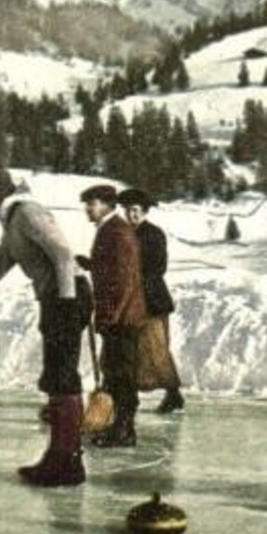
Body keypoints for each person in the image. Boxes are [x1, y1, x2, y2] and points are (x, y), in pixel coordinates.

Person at [0, 167, 89, 487]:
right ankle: (61, 457)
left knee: (62, 377)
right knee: (57, 377)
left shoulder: (27, 213)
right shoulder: (12, 226)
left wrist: (64, 303)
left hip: (67, 296)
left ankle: (67, 463)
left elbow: (63, 254)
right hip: (57, 298)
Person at [78, 184, 147, 448]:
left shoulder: (116, 231)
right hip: (120, 315)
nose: (88, 208)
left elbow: (124, 279)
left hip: (123, 317)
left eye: (92, 203)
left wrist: (111, 317)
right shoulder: (111, 229)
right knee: (117, 373)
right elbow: (112, 268)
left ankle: (124, 430)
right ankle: (120, 427)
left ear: (107, 205)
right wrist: (90, 264)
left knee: (122, 375)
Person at [118, 188, 184, 413]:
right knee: (132, 349)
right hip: (131, 301)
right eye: (127, 211)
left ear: (145, 212)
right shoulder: (124, 233)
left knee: (156, 348)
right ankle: (130, 395)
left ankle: (174, 394)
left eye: (135, 211)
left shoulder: (153, 234)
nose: (131, 215)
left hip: (152, 299)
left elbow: (158, 267)